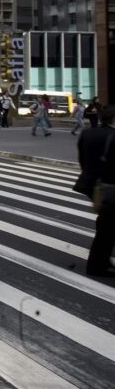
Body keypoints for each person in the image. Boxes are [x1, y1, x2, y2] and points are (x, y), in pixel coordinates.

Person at [77, 106, 115, 277]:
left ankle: (100, 262)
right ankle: (97, 266)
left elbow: (83, 161)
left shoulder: (88, 133)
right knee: (107, 227)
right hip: (111, 186)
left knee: (106, 224)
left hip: (94, 185)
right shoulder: (112, 136)